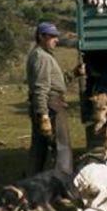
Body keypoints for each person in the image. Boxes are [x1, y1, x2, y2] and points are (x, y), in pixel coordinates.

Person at [26, 22, 81, 176]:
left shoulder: (44, 55)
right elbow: (40, 88)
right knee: (62, 147)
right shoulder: (41, 57)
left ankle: (31, 184)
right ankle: (61, 186)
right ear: (41, 37)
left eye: (56, 36)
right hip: (52, 106)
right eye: (52, 37)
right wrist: (43, 115)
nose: (56, 40)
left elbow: (57, 82)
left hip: (48, 104)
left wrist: (74, 74)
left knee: (39, 148)